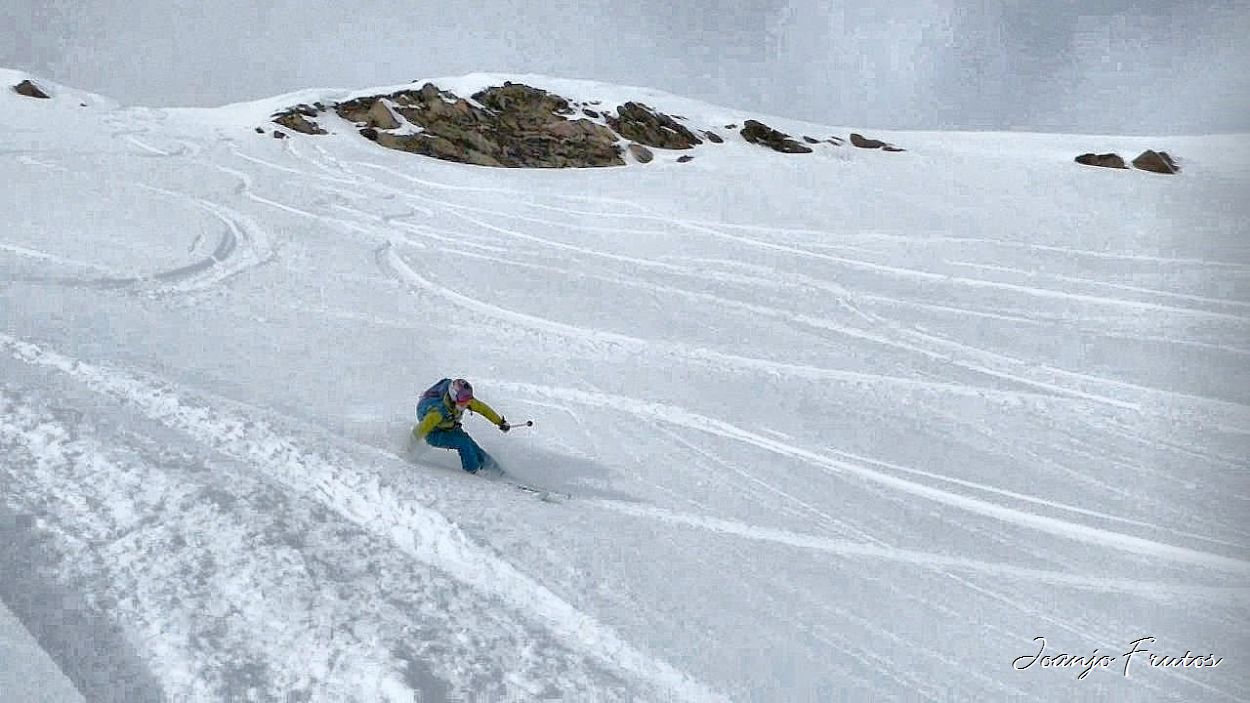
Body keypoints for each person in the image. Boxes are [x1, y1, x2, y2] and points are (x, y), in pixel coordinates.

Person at [412, 378, 511, 474]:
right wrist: (408, 448)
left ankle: (494, 469)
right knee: (463, 443)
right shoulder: (437, 413)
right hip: (433, 433)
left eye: (468, 398)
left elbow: (483, 409)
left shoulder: (464, 401)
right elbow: (420, 429)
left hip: (449, 425)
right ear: (454, 396)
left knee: (471, 444)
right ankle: (473, 471)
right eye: (463, 398)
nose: (467, 402)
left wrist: (500, 422)